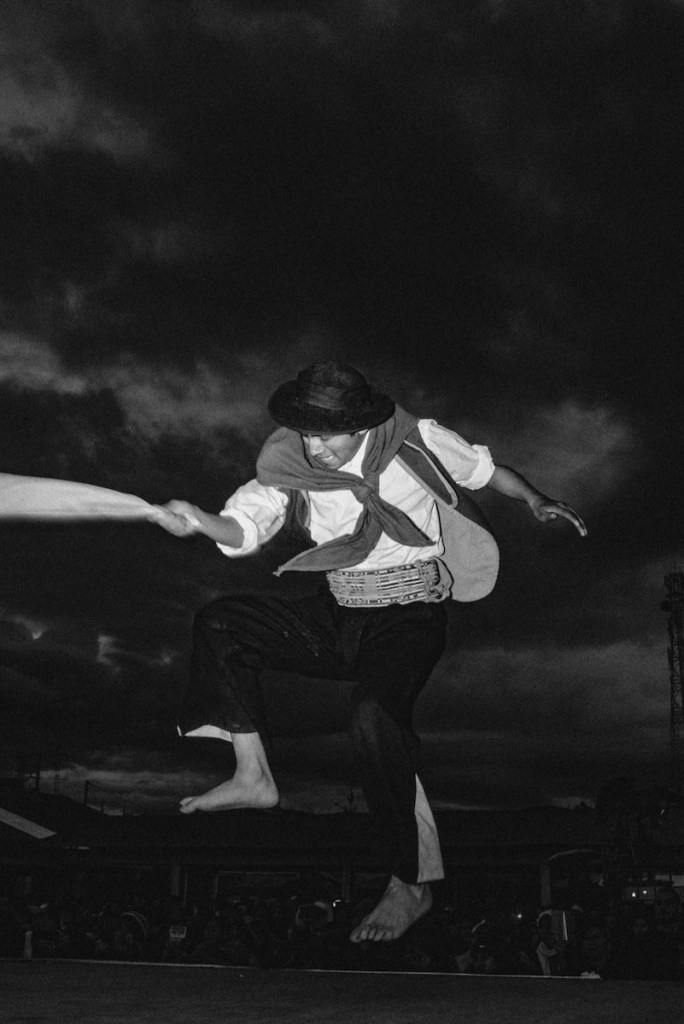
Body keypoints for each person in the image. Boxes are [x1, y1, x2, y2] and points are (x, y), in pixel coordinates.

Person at [153, 361, 586, 944]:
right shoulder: (288, 464)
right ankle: (253, 774)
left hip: (408, 616)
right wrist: (201, 522)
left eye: (326, 436)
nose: (315, 448)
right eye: (306, 434)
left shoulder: (416, 441)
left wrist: (535, 499)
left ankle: (410, 882)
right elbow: (244, 525)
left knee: (373, 716)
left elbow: (486, 472)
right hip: (338, 611)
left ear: (360, 425)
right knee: (222, 622)